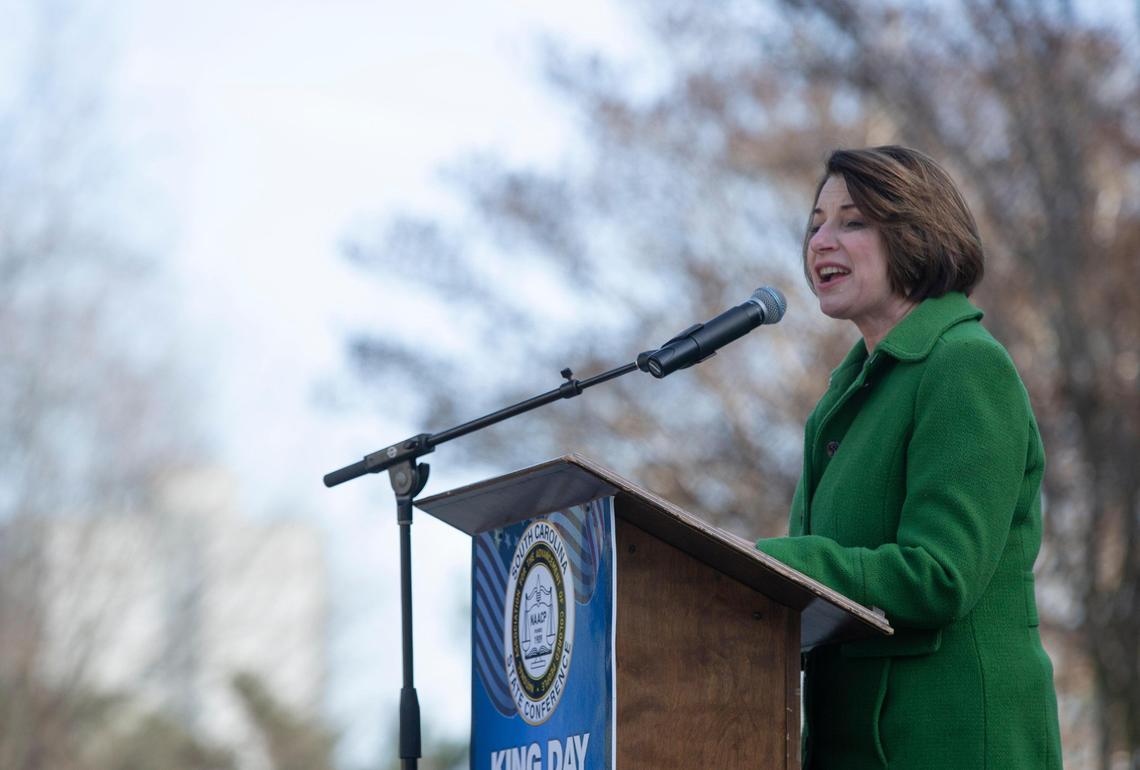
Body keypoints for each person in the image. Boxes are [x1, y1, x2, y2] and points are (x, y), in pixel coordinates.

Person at [755, 146, 1062, 769]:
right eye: (816, 223)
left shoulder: (965, 365)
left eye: (852, 221)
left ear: (916, 235)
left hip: (950, 744)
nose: (820, 241)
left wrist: (774, 563)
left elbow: (941, 575)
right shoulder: (843, 401)